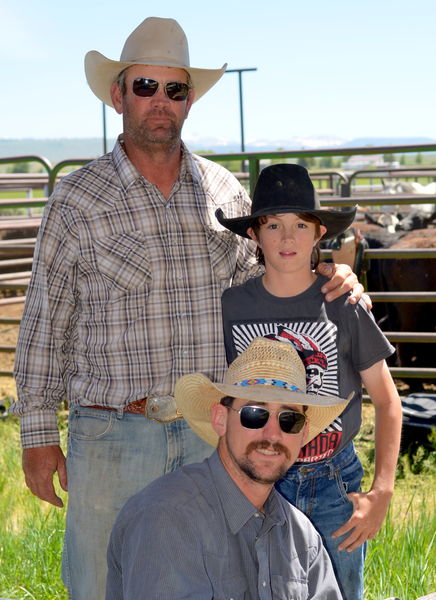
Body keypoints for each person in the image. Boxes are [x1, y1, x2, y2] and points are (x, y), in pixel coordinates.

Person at [11, 17, 365, 600]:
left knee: (222, 581)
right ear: (117, 93)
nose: (160, 101)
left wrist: (336, 275)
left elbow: (276, 281)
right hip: (113, 432)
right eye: (145, 86)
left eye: (174, 89)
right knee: (105, 581)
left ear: (190, 100)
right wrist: (37, 435)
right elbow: (46, 325)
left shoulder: (225, 193)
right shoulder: (76, 199)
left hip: (217, 432)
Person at [217, 163, 403, 600]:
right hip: (258, 478)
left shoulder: (343, 305)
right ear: (253, 234)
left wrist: (382, 492)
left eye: (301, 224)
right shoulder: (232, 306)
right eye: (273, 225)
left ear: (320, 233)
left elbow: (387, 400)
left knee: (337, 590)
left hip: (332, 479)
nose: (287, 238)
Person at [106, 337, 349, 599]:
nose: (272, 434)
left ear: (302, 435)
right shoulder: (168, 516)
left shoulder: (302, 537)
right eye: (255, 414)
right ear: (220, 419)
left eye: (289, 419)